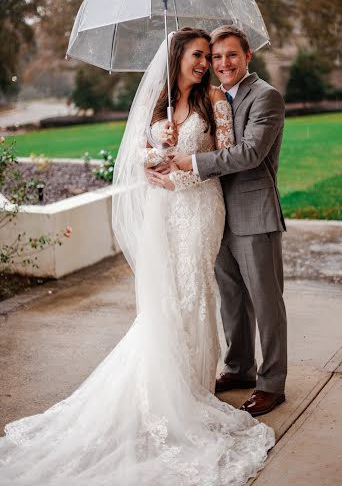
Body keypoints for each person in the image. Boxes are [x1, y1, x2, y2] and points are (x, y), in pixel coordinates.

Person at [0, 28, 274, 486]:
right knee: (164, 296)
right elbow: (139, 159)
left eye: (208, 56)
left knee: (194, 290)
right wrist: (155, 149)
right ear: (177, 57)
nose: (205, 63)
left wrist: (179, 175)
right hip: (162, 212)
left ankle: (190, 388)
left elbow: (224, 158)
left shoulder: (216, 102)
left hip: (201, 208)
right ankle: (162, 386)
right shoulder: (157, 105)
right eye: (197, 55)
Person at [170, 25, 287, 418]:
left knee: (266, 302)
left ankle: (272, 384)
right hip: (215, 212)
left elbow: (250, 153)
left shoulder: (265, 97)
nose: (222, 63)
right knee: (232, 300)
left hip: (255, 213)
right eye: (215, 57)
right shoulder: (210, 96)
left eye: (231, 55)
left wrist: (196, 163)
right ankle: (239, 369)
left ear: (248, 55)